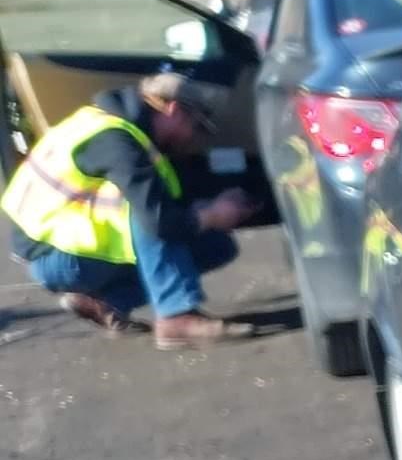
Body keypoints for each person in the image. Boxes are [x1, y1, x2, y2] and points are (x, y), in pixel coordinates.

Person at [3, 72, 254, 349]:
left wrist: (201, 211)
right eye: (195, 125)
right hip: (55, 257)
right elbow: (158, 221)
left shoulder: (110, 123)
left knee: (215, 246)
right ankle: (177, 317)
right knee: (150, 213)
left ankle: (106, 303)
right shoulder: (116, 140)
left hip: (61, 245)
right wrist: (212, 214)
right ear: (174, 110)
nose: (193, 137)